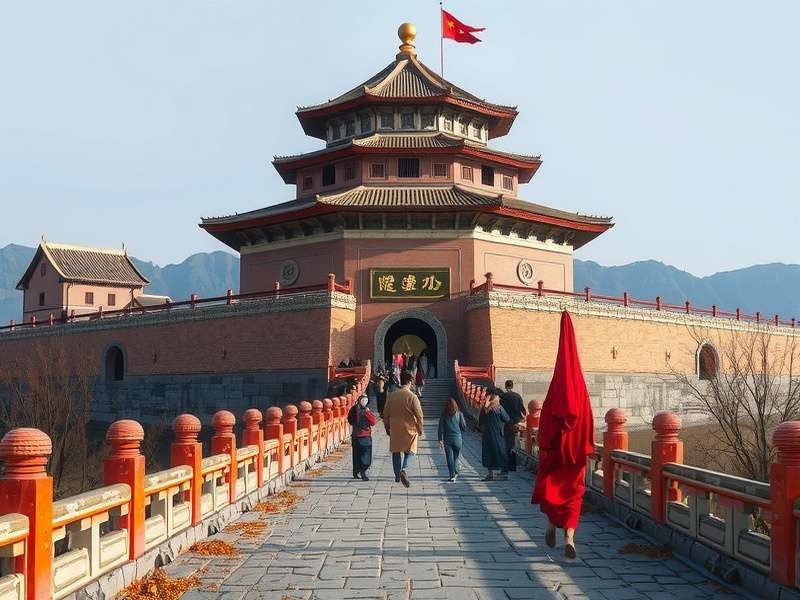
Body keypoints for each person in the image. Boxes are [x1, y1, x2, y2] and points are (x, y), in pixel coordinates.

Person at [532, 311, 595, 559]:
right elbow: (588, 424)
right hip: (576, 455)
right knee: (573, 494)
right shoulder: (581, 393)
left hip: (556, 453)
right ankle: (570, 537)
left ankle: (550, 526)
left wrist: (544, 445)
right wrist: (585, 445)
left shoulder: (554, 392)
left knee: (552, 490)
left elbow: (545, 424)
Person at [383, 371, 424, 488]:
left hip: (395, 428)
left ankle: (397, 476)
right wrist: (420, 428)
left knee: (396, 451)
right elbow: (419, 415)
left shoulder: (392, 395)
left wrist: (387, 427)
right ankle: (404, 469)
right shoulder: (412, 397)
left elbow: (385, 414)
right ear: (410, 382)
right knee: (411, 451)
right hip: (410, 428)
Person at [479, 388, 510, 481]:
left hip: (487, 433)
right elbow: (507, 419)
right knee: (501, 452)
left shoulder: (485, 408)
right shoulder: (498, 407)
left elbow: (480, 420)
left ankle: (490, 474)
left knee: (488, 453)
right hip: (498, 433)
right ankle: (504, 472)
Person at [500, 380, 527, 475]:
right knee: (517, 444)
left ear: (505, 386)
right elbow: (523, 411)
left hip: (508, 423)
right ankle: (514, 465)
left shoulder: (503, 397)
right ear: (512, 386)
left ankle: (508, 466)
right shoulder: (517, 396)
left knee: (508, 444)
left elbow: (501, 411)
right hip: (518, 422)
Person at [347, 393, 377, 481]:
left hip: (355, 435)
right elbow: (373, 422)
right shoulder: (366, 411)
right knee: (366, 455)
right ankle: (363, 471)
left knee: (356, 455)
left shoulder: (353, 409)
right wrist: (367, 412)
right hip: (364, 435)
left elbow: (349, 420)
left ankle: (356, 472)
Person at [438, 398, 467, 481]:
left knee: (449, 457)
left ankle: (452, 475)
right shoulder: (459, 414)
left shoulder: (444, 415)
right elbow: (464, 427)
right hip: (458, 438)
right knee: (456, 456)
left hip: (447, 439)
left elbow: (440, 428)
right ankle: (456, 471)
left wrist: (440, 439)